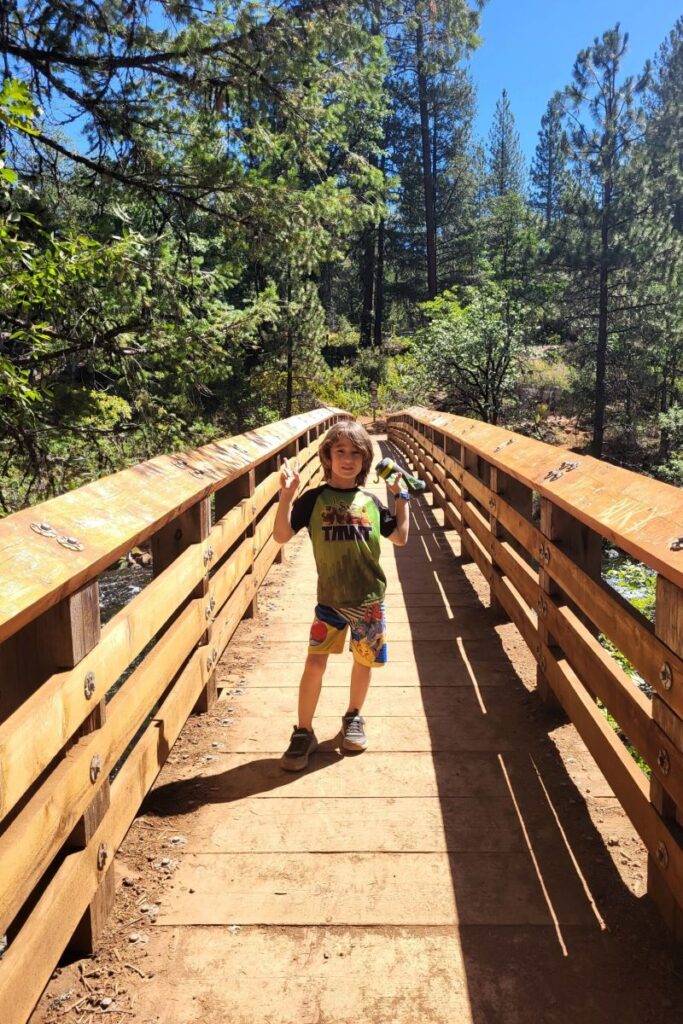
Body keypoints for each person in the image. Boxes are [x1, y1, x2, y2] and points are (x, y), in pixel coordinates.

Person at [273, 419, 411, 771]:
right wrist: (287, 495)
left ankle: (353, 716)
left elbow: (400, 537)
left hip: (369, 602)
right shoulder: (313, 500)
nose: (348, 459)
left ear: (365, 460)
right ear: (327, 456)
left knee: (363, 661)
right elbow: (282, 535)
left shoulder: (370, 501)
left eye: (355, 453)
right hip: (330, 602)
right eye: (340, 452)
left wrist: (400, 497)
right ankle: (303, 732)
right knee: (314, 664)